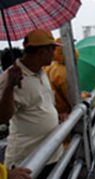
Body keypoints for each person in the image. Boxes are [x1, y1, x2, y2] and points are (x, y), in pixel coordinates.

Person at [0, 29, 64, 178]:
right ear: (43, 52)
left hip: (51, 153)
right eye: (52, 50)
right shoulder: (10, 78)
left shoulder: (41, 72)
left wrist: (57, 116)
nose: (54, 54)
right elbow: (2, 117)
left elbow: (43, 104)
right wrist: (10, 86)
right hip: (28, 161)